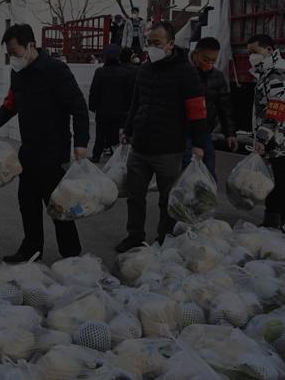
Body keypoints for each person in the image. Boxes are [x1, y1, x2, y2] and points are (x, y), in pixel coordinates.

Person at [0, 24, 90, 263]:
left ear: (30, 45)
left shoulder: (55, 70)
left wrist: (81, 142)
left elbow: (78, 107)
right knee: (27, 204)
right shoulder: (18, 72)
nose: (13, 57)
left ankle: (71, 255)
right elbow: (12, 102)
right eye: (9, 53)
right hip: (29, 150)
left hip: (54, 151)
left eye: (15, 52)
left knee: (59, 206)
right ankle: (31, 249)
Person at [115, 21, 208, 253]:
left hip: (168, 148)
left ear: (170, 44)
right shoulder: (145, 69)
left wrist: (199, 143)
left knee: (168, 198)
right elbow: (136, 102)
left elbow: (197, 109)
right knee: (135, 196)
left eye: (156, 43)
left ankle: (164, 238)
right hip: (140, 146)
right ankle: (134, 235)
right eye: (149, 43)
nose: (151, 47)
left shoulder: (186, 72)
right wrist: (128, 130)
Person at [183, 37, 238, 179]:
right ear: (196, 54)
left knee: (209, 172)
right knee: (187, 173)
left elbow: (224, 107)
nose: (209, 64)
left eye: (213, 61)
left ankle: (205, 200)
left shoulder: (217, 77)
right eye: (206, 59)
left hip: (205, 132)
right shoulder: (183, 72)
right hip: (183, 132)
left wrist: (230, 134)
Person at [248, 34, 285, 229]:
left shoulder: (277, 74)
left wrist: (261, 138)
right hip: (275, 140)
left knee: (278, 184)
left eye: (255, 52)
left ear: (269, 50)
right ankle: (272, 223)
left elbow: (277, 109)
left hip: (280, 141)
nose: (251, 56)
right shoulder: (267, 72)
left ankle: (275, 226)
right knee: (274, 183)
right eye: (250, 53)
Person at [89, 44, 134, 163]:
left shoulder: (100, 72)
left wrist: (92, 105)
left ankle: (96, 155)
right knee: (114, 135)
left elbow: (94, 90)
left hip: (102, 109)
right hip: (118, 110)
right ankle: (115, 159)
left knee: (100, 134)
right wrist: (126, 108)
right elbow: (128, 93)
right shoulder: (125, 73)